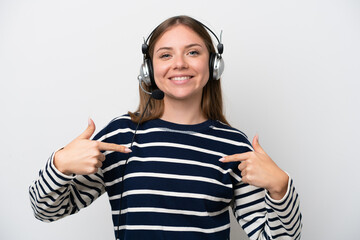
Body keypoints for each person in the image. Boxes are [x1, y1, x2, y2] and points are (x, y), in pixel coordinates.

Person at [29, 15, 302, 240]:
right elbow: (45, 211)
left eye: (193, 52)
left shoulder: (234, 146)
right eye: (165, 55)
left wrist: (281, 188)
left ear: (213, 64)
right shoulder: (121, 136)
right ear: (149, 68)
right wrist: (60, 164)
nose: (179, 63)